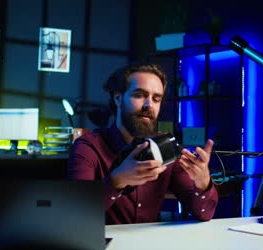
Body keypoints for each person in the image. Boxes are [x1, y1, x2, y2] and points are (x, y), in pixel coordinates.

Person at [67, 63, 218, 224]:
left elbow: (204, 214)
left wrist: (202, 182)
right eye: (139, 95)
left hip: (149, 245)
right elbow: (77, 214)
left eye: (156, 99)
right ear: (118, 99)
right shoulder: (88, 147)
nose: (149, 105)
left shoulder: (167, 147)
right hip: (103, 245)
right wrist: (117, 181)